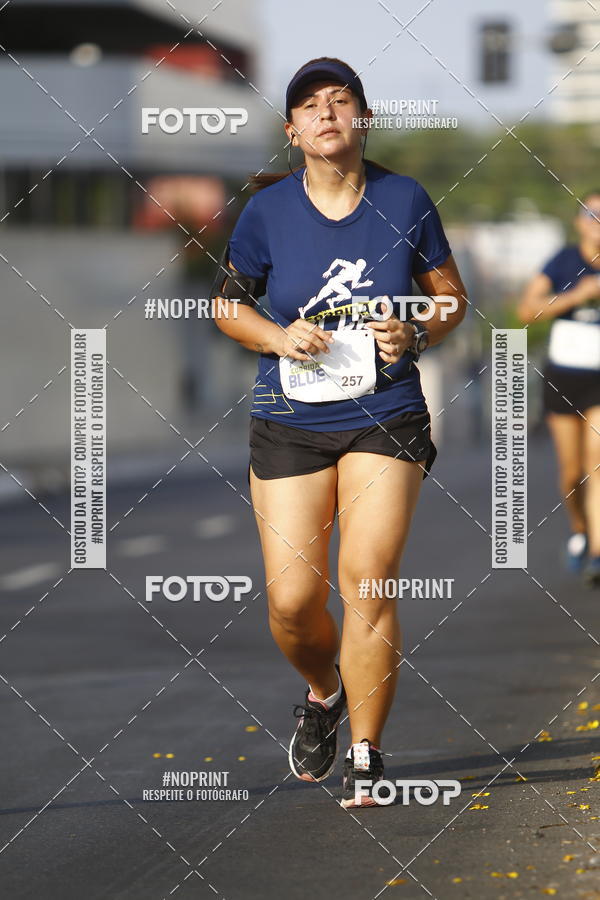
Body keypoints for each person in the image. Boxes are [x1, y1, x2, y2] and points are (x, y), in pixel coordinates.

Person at [212, 57, 467, 807]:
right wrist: (276, 337)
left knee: (366, 579)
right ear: (292, 131)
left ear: (362, 119)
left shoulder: (405, 198)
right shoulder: (266, 212)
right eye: (310, 106)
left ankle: (366, 753)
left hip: (385, 414)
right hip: (290, 418)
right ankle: (324, 693)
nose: (327, 112)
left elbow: (449, 299)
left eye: (341, 100)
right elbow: (229, 307)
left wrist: (413, 330)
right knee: (293, 602)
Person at [518, 191, 600, 587]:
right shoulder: (564, 261)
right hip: (565, 376)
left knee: (597, 461)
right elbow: (525, 311)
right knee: (572, 473)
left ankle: (598, 553)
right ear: (578, 220)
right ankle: (581, 528)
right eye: (591, 213)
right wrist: (577, 295)